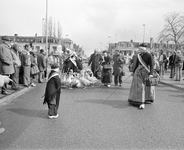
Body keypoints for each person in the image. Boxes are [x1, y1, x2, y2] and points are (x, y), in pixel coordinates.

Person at [128, 43, 154, 109]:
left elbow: (151, 65)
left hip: (145, 72)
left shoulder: (149, 55)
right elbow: (136, 64)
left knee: (145, 87)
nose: (139, 49)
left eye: (140, 48)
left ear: (143, 48)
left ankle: (143, 101)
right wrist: (133, 72)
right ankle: (136, 100)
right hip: (138, 72)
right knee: (137, 86)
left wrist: (151, 74)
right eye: (139, 48)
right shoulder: (138, 55)